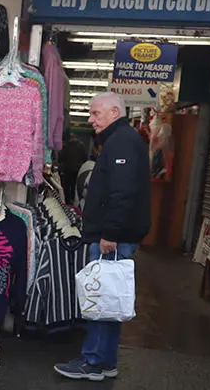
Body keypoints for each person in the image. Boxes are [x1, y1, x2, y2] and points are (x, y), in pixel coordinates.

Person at [54, 92, 151, 382]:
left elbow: (122, 194)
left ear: (114, 112)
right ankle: (105, 362)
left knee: (100, 299)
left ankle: (93, 362)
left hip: (113, 238)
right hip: (116, 235)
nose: (90, 119)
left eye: (95, 113)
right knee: (109, 300)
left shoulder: (122, 141)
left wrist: (110, 233)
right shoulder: (121, 140)